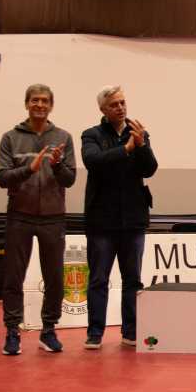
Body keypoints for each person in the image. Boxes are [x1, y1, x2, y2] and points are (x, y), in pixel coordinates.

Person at [0, 84, 77, 355]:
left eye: (44, 101)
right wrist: (27, 170)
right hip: (19, 215)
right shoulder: (10, 137)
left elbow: (70, 179)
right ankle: (12, 331)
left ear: (51, 105)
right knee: (13, 276)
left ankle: (48, 330)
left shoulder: (63, 137)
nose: (40, 105)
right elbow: (1, 178)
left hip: (53, 217)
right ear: (26, 104)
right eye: (34, 100)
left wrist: (57, 165)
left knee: (54, 277)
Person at [81, 86, 158, 349]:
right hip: (101, 221)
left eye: (123, 102)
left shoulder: (137, 132)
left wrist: (142, 145)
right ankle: (95, 333)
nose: (121, 108)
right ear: (103, 109)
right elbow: (93, 162)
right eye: (114, 104)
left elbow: (150, 169)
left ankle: (131, 331)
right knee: (98, 279)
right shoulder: (91, 135)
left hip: (133, 219)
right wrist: (126, 149)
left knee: (133, 280)